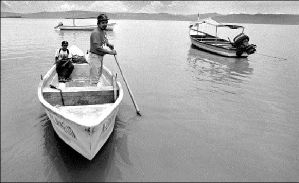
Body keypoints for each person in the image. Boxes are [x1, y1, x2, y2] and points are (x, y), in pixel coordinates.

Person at [89, 13, 117, 85]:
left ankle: (96, 86)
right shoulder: (95, 33)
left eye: (106, 23)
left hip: (100, 57)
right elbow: (97, 48)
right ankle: (93, 90)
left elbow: (105, 39)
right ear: (98, 23)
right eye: (103, 23)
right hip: (94, 57)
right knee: (94, 78)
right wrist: (110, 52)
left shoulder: (103, 31)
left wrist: (108, 44)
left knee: (99, 74)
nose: (105, 24)